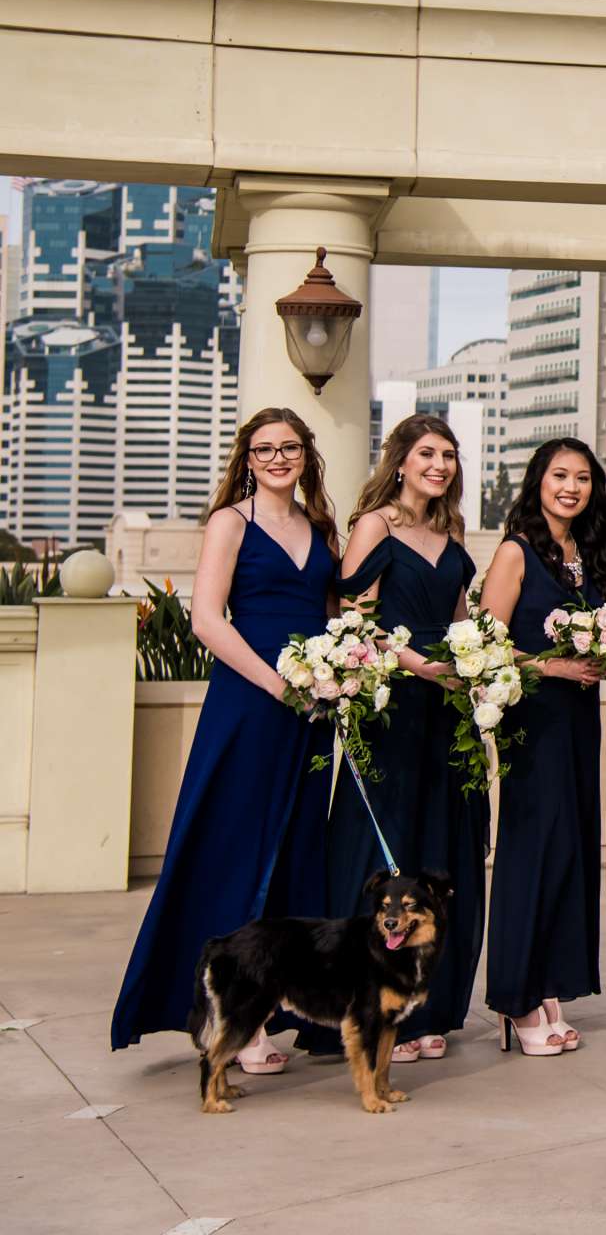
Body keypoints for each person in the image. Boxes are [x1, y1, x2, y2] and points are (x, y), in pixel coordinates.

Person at [111, 409, 341, 1065]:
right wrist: (277, 686)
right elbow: (207, 620)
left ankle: (287, 1004)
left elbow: (334, 614)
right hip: (248, 703)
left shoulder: (321, 528)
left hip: (312, 711)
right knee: (233, 850)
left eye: (288, 447)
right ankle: (239, 1020)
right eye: (264, 449)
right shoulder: (229, 523)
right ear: (247, 458)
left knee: (297, 852)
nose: (277, 458)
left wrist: (342, 672)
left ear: (305, 455)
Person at [318, 412, 482, 1062]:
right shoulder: (374, 526)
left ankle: (428, 1008)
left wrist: (472, 669)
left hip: (447, 711)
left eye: (448, 455)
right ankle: (369, 1008)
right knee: (386, 853)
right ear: (401, 460)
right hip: (391, 709)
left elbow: (462, 621)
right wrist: (420, 666)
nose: (439, 465)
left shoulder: (452, 531)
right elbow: (356, 621)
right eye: (427, 454)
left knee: (440, 852)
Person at [480, 437, 606, 1056]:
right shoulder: (516, 551)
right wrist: (554, 668)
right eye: (560, 475)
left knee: (571, 847)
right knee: (531, 848)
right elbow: (483, 640)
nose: (571, 487)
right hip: (533, 716)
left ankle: (552, 988)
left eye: (583, 478)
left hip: (579, 720)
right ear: (538, 480)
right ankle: (518, 996)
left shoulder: (586, 555)